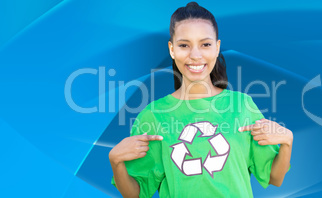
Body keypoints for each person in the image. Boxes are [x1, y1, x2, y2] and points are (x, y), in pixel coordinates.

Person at [109, 2, 293, 197]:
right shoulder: (154, 116)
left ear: (217, 47)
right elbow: (135, 194)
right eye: (184, 45)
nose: (195, 55)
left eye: (205, 44)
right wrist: (115, 162)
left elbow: (275, 178)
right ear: (172, 50)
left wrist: (287, 142)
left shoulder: (242, 106)